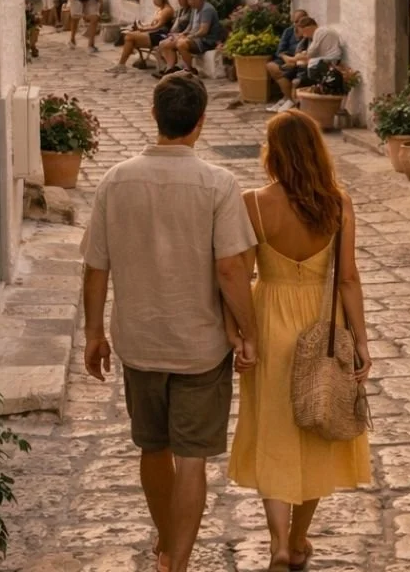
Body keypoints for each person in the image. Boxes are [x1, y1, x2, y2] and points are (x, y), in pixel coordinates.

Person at [81, 73, 259, 572]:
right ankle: (176, 562)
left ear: (154, 115)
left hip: (139, 341)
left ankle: (165, 546)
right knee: (193, 460)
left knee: (152, 447)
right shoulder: (218, 184)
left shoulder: (116, 180)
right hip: (199, 347)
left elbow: (96, 266)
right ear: (200, 122)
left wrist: (94, 334)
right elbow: (230, 268)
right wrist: (247, 331)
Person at [229, 111, 372, 571]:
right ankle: (299, 535)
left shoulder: (252, 203)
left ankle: (278, 545)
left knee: (272, 427)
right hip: (321, 323)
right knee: (317, 426)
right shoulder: (338, 203)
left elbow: (239, 273)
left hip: (268, 318)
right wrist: (363, 342)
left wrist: (240, 335)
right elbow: (348, 279)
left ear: (272, 154)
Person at [107, 0, 176, 75]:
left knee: (130, 37)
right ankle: (122, 64)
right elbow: (153, 24)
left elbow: (158, 26)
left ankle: (121, 64)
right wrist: (143, 27)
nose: (153, 1)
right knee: (129, 37)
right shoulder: (159, 10)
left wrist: (144, 30)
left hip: (160, 35)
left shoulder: (167, 10)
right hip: (154, 32)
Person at [279, 19, 343, 112]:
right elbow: (312, 53)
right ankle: (295, 102)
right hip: (327, 59)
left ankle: (300, 105)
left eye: (304, 32)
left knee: (305, 69)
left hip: (330, 60)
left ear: (309, 27)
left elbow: (310, 53)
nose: (305, 36)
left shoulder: (319, 32)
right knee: (300, 67)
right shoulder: (321, 32)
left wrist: (295, 58)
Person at [159, 0, 222, 75]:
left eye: (192, 0)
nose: (189, 2)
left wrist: (189, 36)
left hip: (205, 40)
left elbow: (203, 31)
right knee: (165, 43)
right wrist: (182, 34)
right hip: (195, 38)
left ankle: (189, 69)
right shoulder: (194, 9)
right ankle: (170, 69)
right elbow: (190, 26)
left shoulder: (207, 10)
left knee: (181, 44)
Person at [266, 10, 309, 114]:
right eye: (294, 21)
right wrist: (286, 58)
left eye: (299, 21)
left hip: (299, 61)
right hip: (287, 58)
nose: (296, 24)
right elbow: (280, 51)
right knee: (271, 66)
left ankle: (288, 99)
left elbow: (307, 52)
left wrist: (294, 60)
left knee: (286, 71)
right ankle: (289, 98)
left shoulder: (308, 32)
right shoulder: (289, 31)